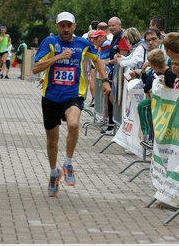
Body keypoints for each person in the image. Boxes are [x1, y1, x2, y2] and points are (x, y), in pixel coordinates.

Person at [32, 12, 111, 197]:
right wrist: (58, 57)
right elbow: (35, 68)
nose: (66, 29)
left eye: (69, 26)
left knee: (74, 124)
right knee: (52, 141)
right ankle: (54, 173)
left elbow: (97, 59)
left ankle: (68, 163)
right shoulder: (50, 42)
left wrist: (105, 79)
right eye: (62, 26)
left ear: (74, 27)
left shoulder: (82, 44)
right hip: (50, 96)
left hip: (73, 95)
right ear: (57, 27)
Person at [102, 16, 129, 134]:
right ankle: (112, 125)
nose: (111, 27)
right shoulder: (113, 38)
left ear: (120, 25)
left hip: (119, 74)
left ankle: (114, 126)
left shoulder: (122, 38)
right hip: (113, 72)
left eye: (114, 25)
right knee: (110, 97)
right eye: (110, 25)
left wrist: (108, 62)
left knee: (114, 98)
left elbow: (122, 58)